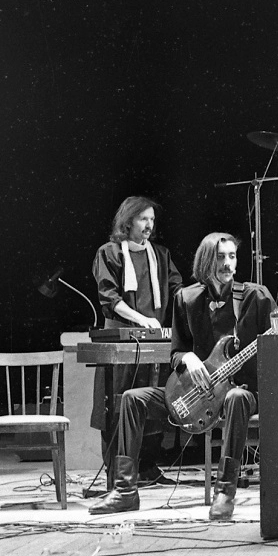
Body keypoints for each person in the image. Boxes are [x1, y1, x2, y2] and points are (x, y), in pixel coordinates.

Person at [89, 232, 275, 520]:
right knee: (132, 399)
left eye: (232, 256)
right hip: (197, 394)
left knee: (236, 397)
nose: (228, 264)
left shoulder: (256, 296)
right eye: (220, 257)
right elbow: (176, 352)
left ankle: (225, 492)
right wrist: (188, 358)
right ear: (205, 262)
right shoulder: (186, 298)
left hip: (244, 392)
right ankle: (125, 490)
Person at [91, 196, 183, 481]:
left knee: (155, 406)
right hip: (122, 341)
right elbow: (109, 297)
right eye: (144, 219)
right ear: (128, 221)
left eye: (152, 220)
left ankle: (148, 468)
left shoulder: (160, 255)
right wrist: (140, 319)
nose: (149, 225)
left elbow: (179, 292)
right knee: (116, 406)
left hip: (155, 342)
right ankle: (119, 473)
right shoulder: (110, 253)